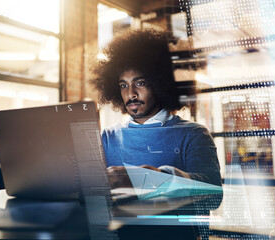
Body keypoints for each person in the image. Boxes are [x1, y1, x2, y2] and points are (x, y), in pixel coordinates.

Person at [91, 28, 222, 240]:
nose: (131, 93)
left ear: (161, 82)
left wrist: (149, 179)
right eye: (123, 85)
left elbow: (212, 195)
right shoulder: (106, 137)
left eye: (140, 83)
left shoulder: (193, 134)